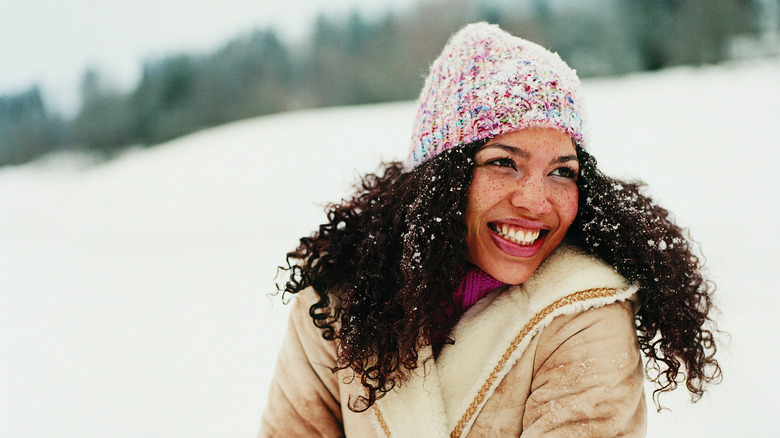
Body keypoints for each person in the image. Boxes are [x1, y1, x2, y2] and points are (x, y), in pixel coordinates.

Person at [259, 23, 720, 437]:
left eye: (563, 171)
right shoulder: (339, 300)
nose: (536, 201)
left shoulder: (585, 316)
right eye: (504, 163)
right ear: (440, 181)